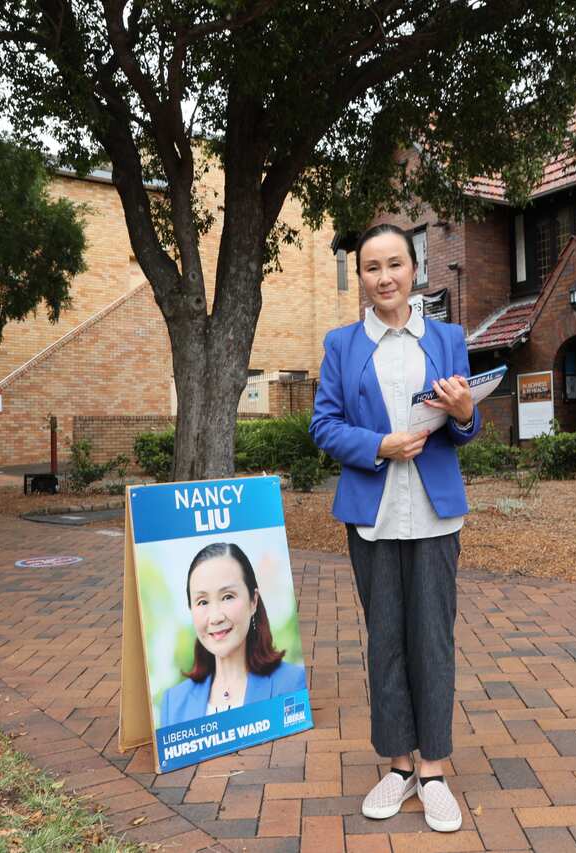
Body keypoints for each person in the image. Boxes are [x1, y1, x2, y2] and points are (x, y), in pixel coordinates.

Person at [309, 223, 480, 834]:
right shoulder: (342, 345)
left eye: (395, 265)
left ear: (415, 270)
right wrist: (378, 443)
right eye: (372, 267)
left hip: (435, 512)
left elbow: (466, 422)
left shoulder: (449, 337)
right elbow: (323, 426)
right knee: (385, 639)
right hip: (372, 514)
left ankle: (433, 771)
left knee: (431, 637)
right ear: (360, 277)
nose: (384, 277)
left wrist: (464, 413)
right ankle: (399, 765)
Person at [159, 542, 306, 728]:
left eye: (228, 597)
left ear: (253, 601)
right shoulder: (173, 704)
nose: (216, 617)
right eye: (202, 602)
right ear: (191, 609)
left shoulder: (292, 684)